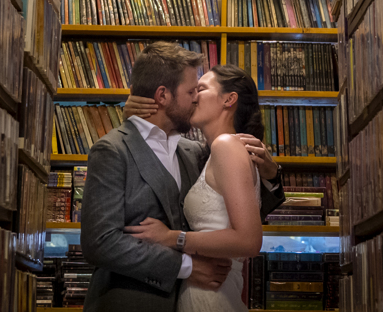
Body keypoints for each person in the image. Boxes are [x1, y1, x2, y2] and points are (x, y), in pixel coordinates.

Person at [81, 44, 285, 311]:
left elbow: (238, 217)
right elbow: (99, 243)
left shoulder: (195, 152)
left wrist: (272, 175)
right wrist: (185, 266)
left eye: (199, 90)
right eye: (191, 92)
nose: (195, 98)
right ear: (163, 95)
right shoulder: (113, 150)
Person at [123, 65, 268, 312]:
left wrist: (172, 237)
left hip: (212, 293)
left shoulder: (225, 145)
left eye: (200, 89)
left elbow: (249, 240)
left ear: (229, 99)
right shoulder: (207, 152)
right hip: (205, 288)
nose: (193, 97)